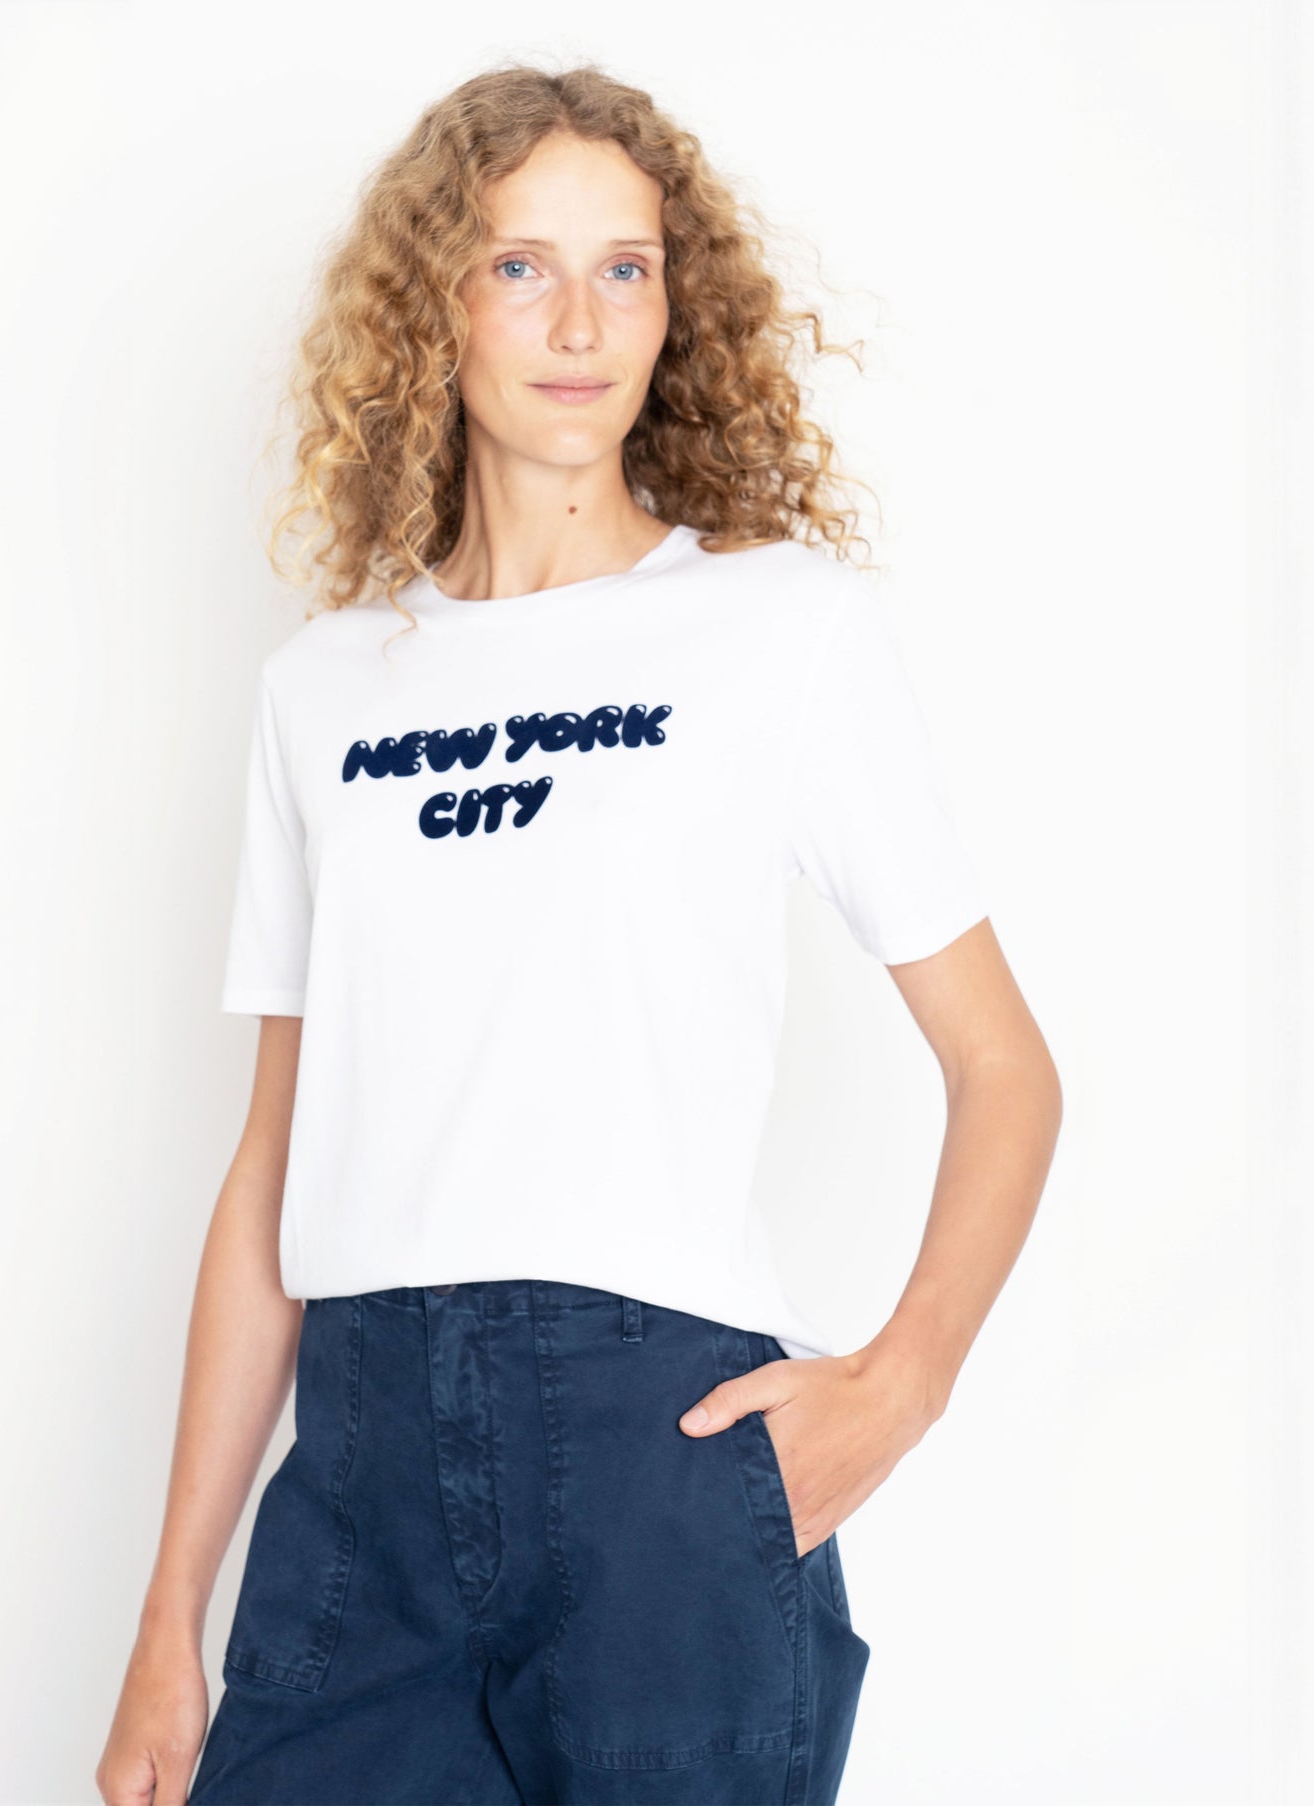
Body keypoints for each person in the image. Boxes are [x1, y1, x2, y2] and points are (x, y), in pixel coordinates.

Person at [95, 61, 1061, 1806]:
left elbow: (1003, 1067)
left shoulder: (778, 630)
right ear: (434, 306)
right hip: (362, 1472)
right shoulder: (323, 689)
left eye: (625, 268)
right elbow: (271, 1172)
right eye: (519, 265)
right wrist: (172, 1609)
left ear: (676, 306)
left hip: (661, 1459)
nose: (579, 322)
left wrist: (899, 1384)